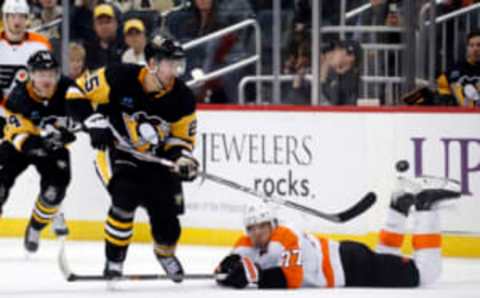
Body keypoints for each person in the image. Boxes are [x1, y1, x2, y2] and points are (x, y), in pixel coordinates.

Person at [69, 35, 199, 282]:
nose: (176, 70)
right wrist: (92, 121)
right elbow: (76, 91)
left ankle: (164, 253)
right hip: (118, 151)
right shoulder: (119, 76)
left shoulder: (182, 98)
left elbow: (181, 139)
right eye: (170, 64)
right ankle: (114, 260)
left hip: (154, 159)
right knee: (125, 198)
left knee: (168, 222)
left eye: (177, 64)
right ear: (152, 63)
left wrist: (182, 158)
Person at [214, 174, 462, 289]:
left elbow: (292, 279)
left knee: (426, 274)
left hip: (353, 268)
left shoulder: (285, 237)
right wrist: (226, 270)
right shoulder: (246, 242)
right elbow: (228, 267)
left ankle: (426, 208)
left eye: (262, 226)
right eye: (252, 228)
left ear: (272, 224)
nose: (257, 233)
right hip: (348, 258)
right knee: (385, 255)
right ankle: (398, 205)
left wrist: (255, 276)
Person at [1, 50, 86, 252]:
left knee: (54, 193)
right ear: (31, 75)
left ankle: (35, 226)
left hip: (54, 149)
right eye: (40, 74)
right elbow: (14, 132)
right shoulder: (19, 95)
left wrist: (71, 130)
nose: (46, 79)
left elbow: (83, 114)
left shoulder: (69, 89)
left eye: (50, 74)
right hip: (22, 146)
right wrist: (34, 144)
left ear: (57, 74)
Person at [436, 31, 480, 107]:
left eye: (479, 45)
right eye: (471, 45)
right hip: (459, 113)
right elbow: (441, 88)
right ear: (467, 48)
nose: (475, 49)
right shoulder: (456, 68)